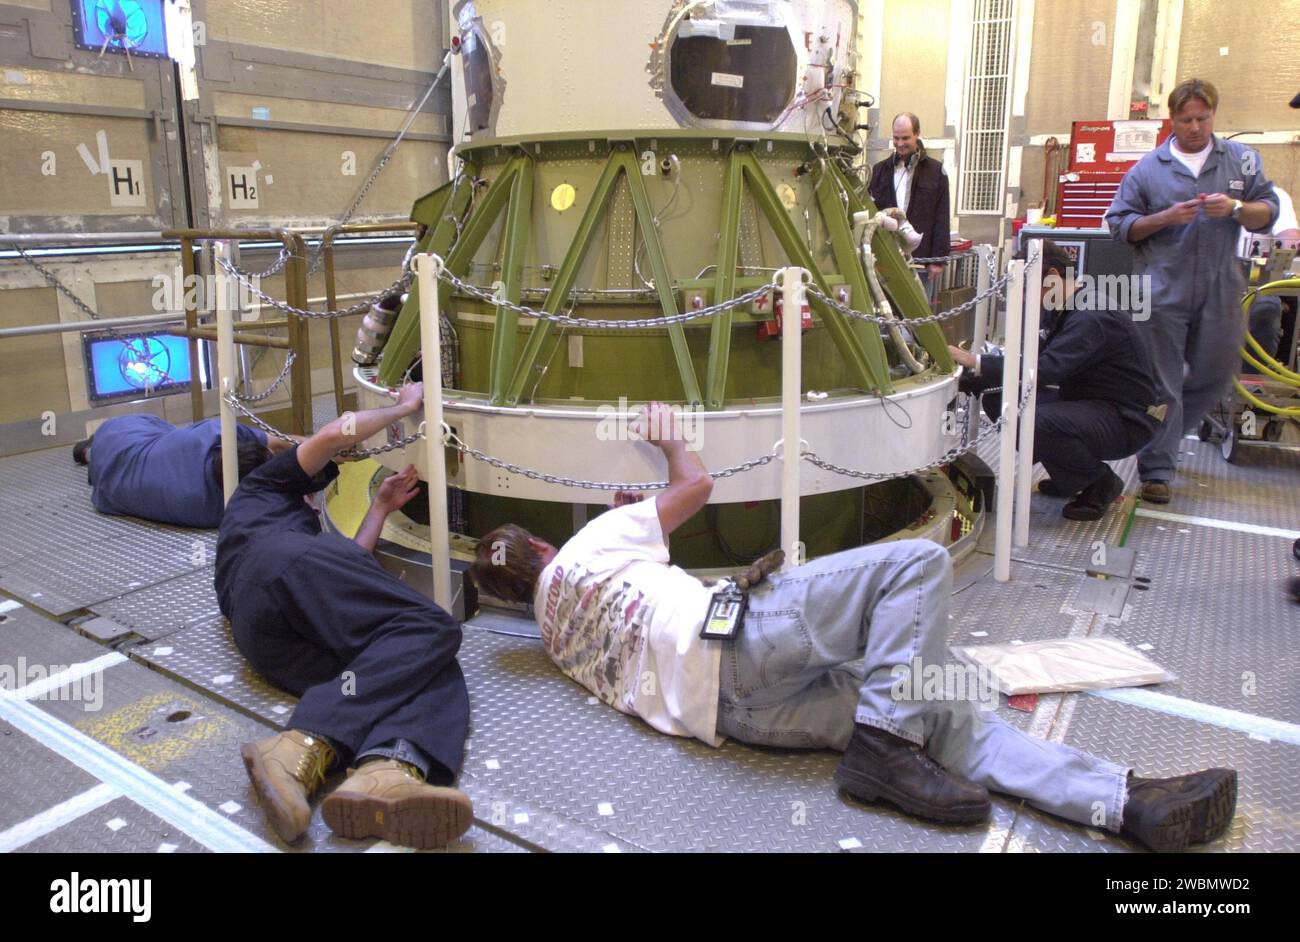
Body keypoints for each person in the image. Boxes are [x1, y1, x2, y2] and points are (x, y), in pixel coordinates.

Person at [470, 403, 1238, 853]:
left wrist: (618, 525)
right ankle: (883, 751)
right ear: (541, 544)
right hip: (733, 641)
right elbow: (694, 486)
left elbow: (609, 604)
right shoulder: (591, 546)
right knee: (915, 568)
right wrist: (670, 433)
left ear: (517, 592)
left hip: (734, 719)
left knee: (936, 712)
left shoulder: (552, 634)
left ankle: (1122, 802)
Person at [216, 382, 472, 849]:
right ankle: (302, 738)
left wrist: (378, 509)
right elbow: (337, 433)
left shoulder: (269, 522)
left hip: (264, 639)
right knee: (430, 626)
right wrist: (405, 406)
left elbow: (345, 570)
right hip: (276, 568)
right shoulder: (265, 487)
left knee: (420, 665)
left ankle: (385, 770)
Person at [1105, 78, 1279, 504]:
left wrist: (1237, 208)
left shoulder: (1242, 161)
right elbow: (1119, 226)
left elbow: (1268, 211)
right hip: (1162, 289)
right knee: (1162, 385)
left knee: (1218, 372)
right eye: (1187, 119)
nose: (1196, 127)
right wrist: (1164, 218)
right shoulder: (1146, 170)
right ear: (1172, 120)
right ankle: (1157, 469)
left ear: (1213, 116)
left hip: (1222, 286)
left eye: (1203, 118)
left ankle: (1169, 428)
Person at [949, 240, 1163, 520]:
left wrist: (975, 362)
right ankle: (1071, 477)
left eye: (1026, 285)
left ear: (1051, 276)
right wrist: (981, 374)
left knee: (1031, 420)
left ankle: (1099, 482)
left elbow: (1046, 370)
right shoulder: (1066, 306)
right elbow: (1034, 362)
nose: (1023, 296)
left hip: (1126, 419)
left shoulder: (1091, 314)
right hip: (1093, 404)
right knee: (998, 395)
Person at [73, 415, 287, 528]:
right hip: (105, 483)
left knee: (162, 434)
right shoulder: (215, 513)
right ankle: (89, 453)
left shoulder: (210, 434)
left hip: (119, 436)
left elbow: (280, 441)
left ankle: (91, 449)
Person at [868, 113, 950, 287]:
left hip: (920, 260)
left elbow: (942, 216)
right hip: (886, 259)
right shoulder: (879, 171)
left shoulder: (936, 172)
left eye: (905, 138)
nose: (900, 144)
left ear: (917, 134)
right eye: (896, 138)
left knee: (919, 313)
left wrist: (938, 260)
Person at [1241, 185, 1299, 373]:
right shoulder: (1204, 192)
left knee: (1266, 309)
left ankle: (1250, 384)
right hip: (1204, 281)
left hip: (1256, 283)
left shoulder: (1274, 195)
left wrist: (1284, 247)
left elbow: (1289, 238)